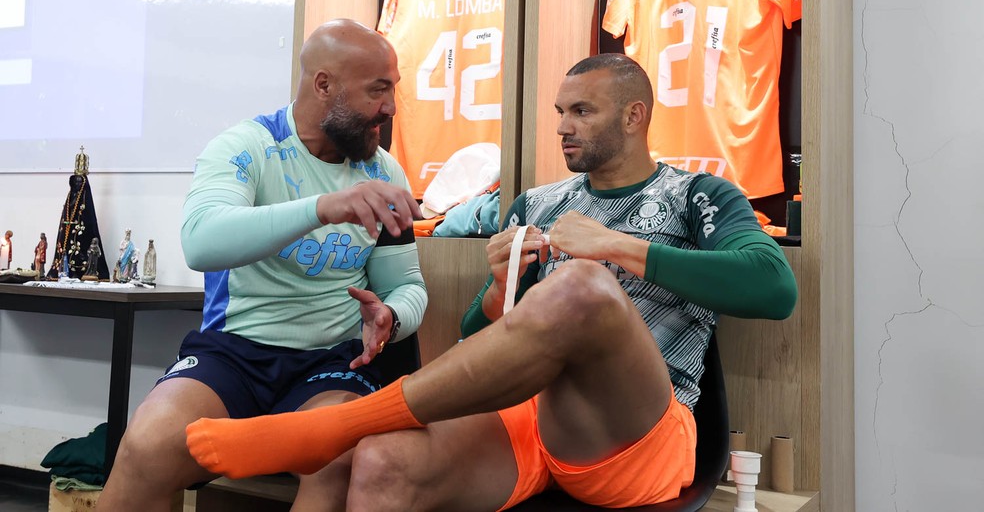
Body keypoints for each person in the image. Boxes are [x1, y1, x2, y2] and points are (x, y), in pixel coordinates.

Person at [181, 53, 798, 510]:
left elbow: (774, 286)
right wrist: (496, 293)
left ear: (635, 116)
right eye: (560, 112)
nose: (563, 126)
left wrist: (616, 247)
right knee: (384, 462)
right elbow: (486, 336)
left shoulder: (697, 195)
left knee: (583, 286)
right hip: (529, 424)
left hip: (635, 434)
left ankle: (343, 422)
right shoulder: (538, 203)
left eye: (582, 111)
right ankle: (361, 432)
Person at [96, 18, 427, 512]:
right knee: (147, 448)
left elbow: (407, 286)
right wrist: (323, 207)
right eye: (377, 90)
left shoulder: (385, 171)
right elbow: (202, 243)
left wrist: (392, 317)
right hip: (233, 354)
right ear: (324, 85)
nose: (390, 107)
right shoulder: (246, 148)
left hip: (332, 362)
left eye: (393, 89)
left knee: (340, 461)